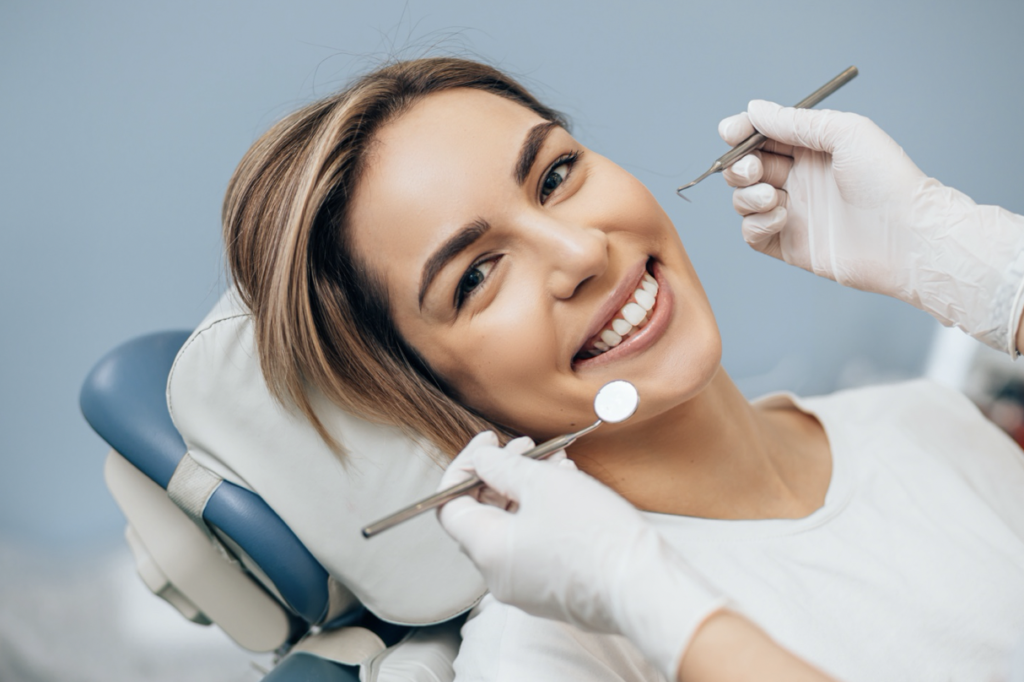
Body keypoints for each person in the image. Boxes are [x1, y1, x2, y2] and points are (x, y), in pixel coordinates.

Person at [222, 58, 1024, 681]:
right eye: (475, 275)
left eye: (556, 176)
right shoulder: (547, 657)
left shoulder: (925, 420)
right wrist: (647, 600)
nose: (580, 252)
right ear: (423, 388)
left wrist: (996, 282)